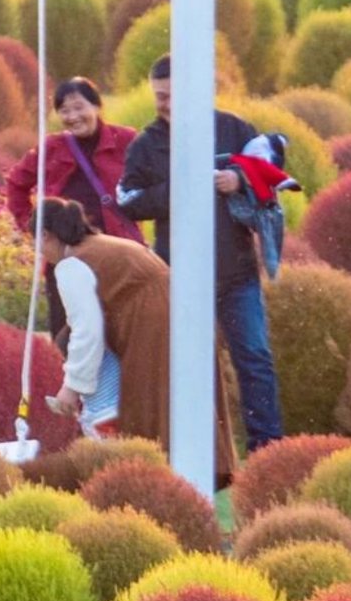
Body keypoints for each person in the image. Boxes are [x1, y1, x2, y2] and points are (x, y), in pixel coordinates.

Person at [115, 55, 284, 455]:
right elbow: (129, 200)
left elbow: (271, 166)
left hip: (236, 273)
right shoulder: (147, 145)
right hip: (181, 278)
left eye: (172, 95)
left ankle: (268, 451)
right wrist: (179, 187)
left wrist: (239, 178)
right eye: (159, 96)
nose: (166, 104)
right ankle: (193, 449)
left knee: (255, 360)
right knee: (187, 368)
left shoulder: (232, 128)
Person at [35, 200, 232, 472]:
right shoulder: (104, 245)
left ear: (45, 235)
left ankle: (158, 481)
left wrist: (72, 388)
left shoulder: (72, 265)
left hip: (151, 325)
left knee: (152, 408)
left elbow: (86, 331)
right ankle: (193, 478)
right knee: (184, 404)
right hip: (182, 310)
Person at [5, 76, 142, 244]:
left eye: (78, 108)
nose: (73, 116)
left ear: (97, 106)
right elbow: (16, 183)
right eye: (64, 110)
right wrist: (32, 225)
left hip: (117, 247)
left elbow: (153, 177)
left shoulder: (125, 139)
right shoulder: (51, 148)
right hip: (65, 250)